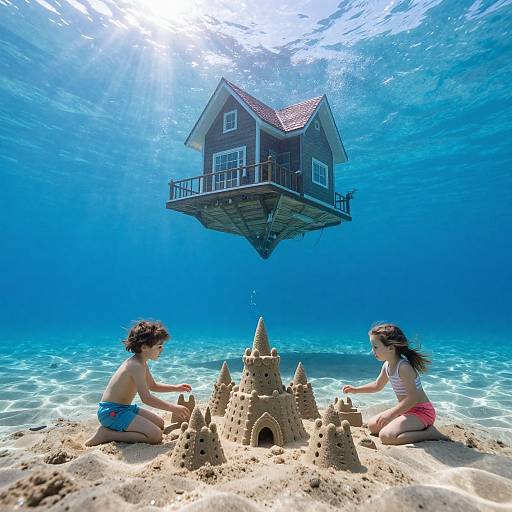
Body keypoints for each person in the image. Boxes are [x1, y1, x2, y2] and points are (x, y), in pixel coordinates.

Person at [85, 320, 192, 447]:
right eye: (159, 347)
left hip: (125, 408)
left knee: (160, 423)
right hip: (111, 413)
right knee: (155, 436)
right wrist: (172, 408)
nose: (162, 350)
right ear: (144, 347)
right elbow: (146, 398)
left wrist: (176, 388)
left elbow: (153, 386)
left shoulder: (142, 363)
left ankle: (119, 429)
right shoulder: (135, 365)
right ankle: (107, 434)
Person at [342, 323, 448, 445]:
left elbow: (413, 399)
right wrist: (356, 389)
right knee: (373, 426)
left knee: (386, 436)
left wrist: (391, 414)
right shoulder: (387, 365)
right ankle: (407, 424)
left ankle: (429, 434)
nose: (372, 351)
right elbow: (377, 385)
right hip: (406, 410)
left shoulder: (403, 367)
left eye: (375, 347)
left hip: (422, 412)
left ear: (391, 348)